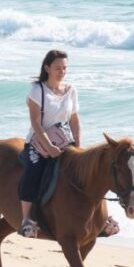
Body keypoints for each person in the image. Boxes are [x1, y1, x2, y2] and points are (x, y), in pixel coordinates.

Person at [18, 50, 80, 237]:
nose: (62, 72)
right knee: (34, 172)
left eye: (64, 68)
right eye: (57, 68)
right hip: (38, 144)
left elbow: (75, 120)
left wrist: (78, 147)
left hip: (65, 142)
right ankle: (26, 219)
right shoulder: (38, 91)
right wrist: (49, 147)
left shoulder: (70, 91)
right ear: (47, 68)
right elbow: (36, 123)